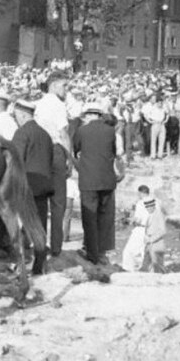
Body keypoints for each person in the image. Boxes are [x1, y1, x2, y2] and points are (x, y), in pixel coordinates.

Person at [73, 103, 117, 265]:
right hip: (107, 179)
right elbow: (113, 151)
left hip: (88, 180)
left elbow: (75, 149)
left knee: (89, 217)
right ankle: (103, 251)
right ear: (99, 115)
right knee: (105, 217)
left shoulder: (81, 131)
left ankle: (92, 253)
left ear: (89, 115)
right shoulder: (110, 131)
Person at [34, 71, 72, 257]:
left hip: (38, 153)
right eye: (65, 85)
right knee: (58, 202)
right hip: (55, 150)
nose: (67, 89)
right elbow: (63, 134)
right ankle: (56, 246)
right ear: (54, 84)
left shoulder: (38, 104)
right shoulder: (58, 105)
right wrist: (70, 159)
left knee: (40, 201)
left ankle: (39, 244)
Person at [11, 99, 54, 233]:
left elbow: (16, 160)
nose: (16, 119)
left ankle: (25, 251)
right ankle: (40, 251)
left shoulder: (22, 132)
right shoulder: (45, 134)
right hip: (44, 185)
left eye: (16, 116)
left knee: (24, 222)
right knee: (40, 222)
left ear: (23, 115)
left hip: (26, 185)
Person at [144, 94, 167, 159]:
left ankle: (160, 155)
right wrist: (150, 121)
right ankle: (153, 155)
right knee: (153, 141)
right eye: (159, 103)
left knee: (162, 140)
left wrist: (165, 120)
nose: (160, 104)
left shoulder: (163, 109)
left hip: (162, 125)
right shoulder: (153, 108)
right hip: (155, 124)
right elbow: (146, 115)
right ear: (156, 103)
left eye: (161, 103)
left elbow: (167, 113)